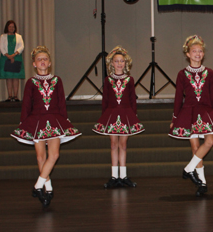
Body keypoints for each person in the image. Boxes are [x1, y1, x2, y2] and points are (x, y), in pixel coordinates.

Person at [11, 46, 81, 208]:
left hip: (54, 121)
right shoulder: (31, 82)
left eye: (45, 59)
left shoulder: (57, 80)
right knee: (40, 157)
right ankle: (48, 190)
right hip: (36, 121)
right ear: (34, 64)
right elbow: (27, 104)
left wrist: (64, 119)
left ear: (49, 63)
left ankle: (37, 185)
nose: (42, 61)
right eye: (39, 59)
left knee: (54, 155)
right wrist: (23, 122)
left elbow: (61, 102)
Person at [169, 35, 213, 197]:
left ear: (203, 54)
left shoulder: (209, 72)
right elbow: (178, 98)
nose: (197, 53)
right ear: (188, 54)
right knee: (196, 148)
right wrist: (175, 118)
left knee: (210, 141)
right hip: (189, 112)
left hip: (206, 112)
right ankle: (202, 183)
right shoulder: (182, 74)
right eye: (194, 51)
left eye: (200, 51)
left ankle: (188, 169)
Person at [93, 46, 145, 189]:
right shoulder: (108, 80)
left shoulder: (129, 79)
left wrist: (133, 116)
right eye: (117, 61)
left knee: (123, 144)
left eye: (122, 61)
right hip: (111, 114)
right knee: (113, 144)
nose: (119, 64)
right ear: (112, 64)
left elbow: (132, 100)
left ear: (126, 63)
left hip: (126, 114)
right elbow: (105, 100)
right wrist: (104, 117)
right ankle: (114, 176)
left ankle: (123, 175)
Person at [0, 20, 25, 101]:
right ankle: (10, 96)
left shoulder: (19, 37)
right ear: (7, 27)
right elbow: (1, 47)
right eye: (10, 27)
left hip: (16, 57)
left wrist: (14, 55)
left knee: (16, 78)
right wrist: (8, 56)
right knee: (8, 77)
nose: (11, 28)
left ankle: (15, 96)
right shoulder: (3, 36)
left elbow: (21, 47)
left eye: (13, 27)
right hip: (6, 58)